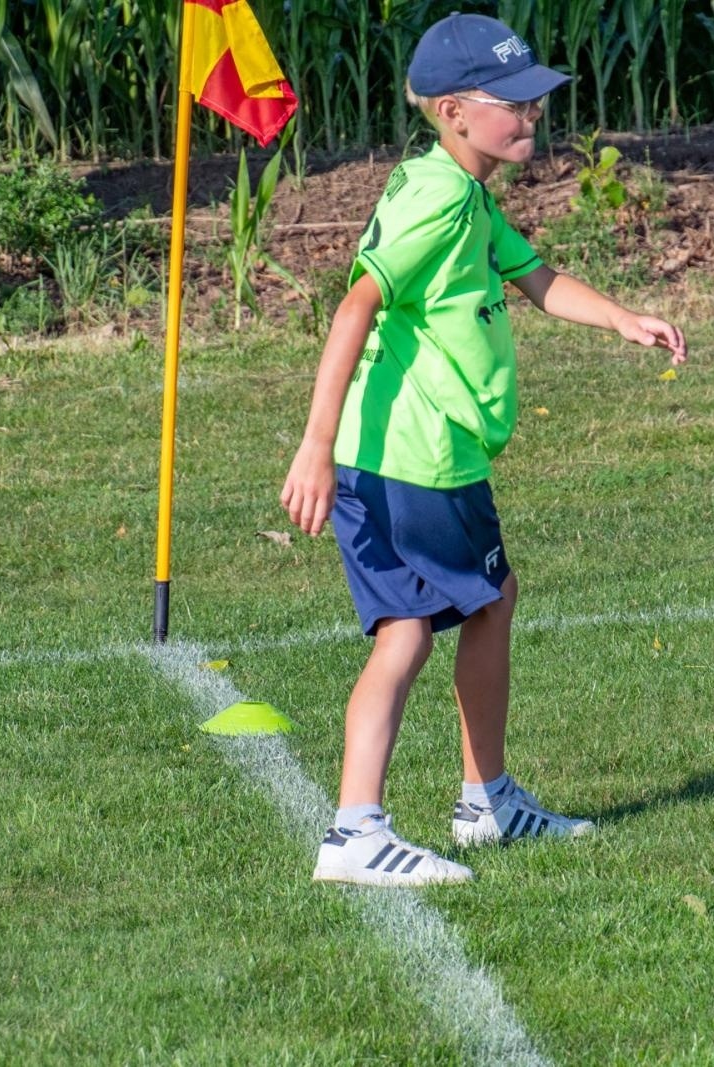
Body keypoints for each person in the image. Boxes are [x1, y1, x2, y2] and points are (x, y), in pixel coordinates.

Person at [280, 13, 686, 887]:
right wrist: (315, 446)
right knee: (407, 634)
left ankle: (486, 801)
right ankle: (356, 829)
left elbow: (535, 278)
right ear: (457, 111)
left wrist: (623, 319)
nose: (532, 116)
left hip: (441, 458)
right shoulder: (435, 199)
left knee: (493, 598)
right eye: (515, 104)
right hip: (404, 460)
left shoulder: (466, 194)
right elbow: (355, 306)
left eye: (534, 101)